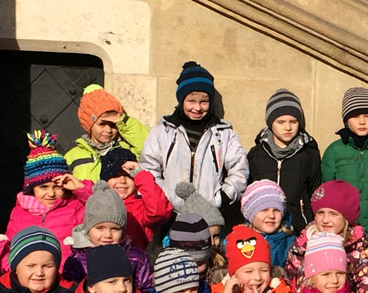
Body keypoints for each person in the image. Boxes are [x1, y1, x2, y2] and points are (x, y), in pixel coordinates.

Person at [140, 60, 249, 213]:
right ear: (181, 100)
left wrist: (222, 197)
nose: (197, 108)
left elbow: (239, 169)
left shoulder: (224, 134)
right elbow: (149, 167)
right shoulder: (162, 132)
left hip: (209, 213)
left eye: (204, 102)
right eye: (191, 101)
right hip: (170, 214)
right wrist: (163, 196)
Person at [0, 129, 92, 274]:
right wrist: (14, 271)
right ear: (32, 188)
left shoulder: (75, 207)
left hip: (67, 277)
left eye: (57, 187)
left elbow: (102, 210)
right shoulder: (19, 213)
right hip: (31, 278)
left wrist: (81, 188)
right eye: (43, 187)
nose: (51, 194)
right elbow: (10, 247)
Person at [320, 86, 368, 237]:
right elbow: (326, 191)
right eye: (355, 116)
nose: (362, 121)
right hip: (343, 231)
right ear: (346, 120)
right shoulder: (334, 151)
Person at [283, 180, 368, 293]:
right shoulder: (302, 244)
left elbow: (366, 292)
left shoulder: (358, 250)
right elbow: (290, 281)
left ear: (346, 218)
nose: (325, 220)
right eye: (320, 213)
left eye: (333, 214)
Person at [246, 89, 322, 231]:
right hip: (262, 228)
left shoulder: (309, 155)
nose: (288, 127)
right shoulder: (256, 154)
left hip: (298, 228)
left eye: (293, 121)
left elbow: (315, 193)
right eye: (280, 122)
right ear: (270, 123)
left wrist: (310, 224)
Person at [62, 181, 154, 292]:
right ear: (88, 228)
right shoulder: (77, 260)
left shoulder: (136, 257)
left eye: (115, 229)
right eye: (100, 228)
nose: (108, 235)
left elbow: (146, 289)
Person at [66, 84, 151, 183]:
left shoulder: (125, 150)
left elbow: (148, 147)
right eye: (102, 124)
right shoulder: (73, 155)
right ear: (90, 125)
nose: (108, 130)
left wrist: (123, 121)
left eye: (113, 124)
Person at [96, 148, 173, 250]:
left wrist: (140, 174)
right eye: (116, 175)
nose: (123, 181)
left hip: (135, 258)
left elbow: (159, 212)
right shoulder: (96, 204)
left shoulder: (141, 207)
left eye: (128, 176)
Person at [237, 179, 295, 268]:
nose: (271, 216)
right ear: (250, 214)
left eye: (276, 210)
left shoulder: (291, 243)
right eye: (264, 210)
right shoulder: (238, 241)